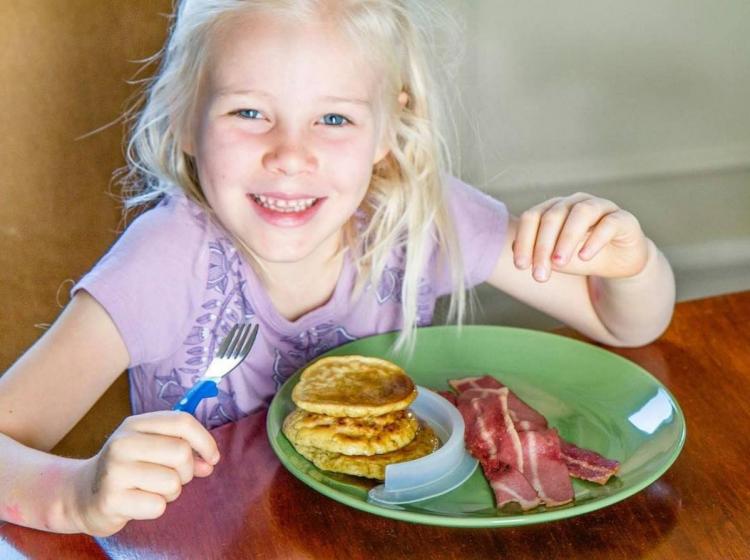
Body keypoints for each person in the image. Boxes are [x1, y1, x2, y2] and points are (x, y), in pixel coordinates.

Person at [0, 0, 675, 537]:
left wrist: (631, 263)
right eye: (249, 112)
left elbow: (623, 323)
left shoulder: (416, 217)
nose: (291, 155)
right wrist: (77, 495)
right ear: (183, 117)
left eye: (333, 118)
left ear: (387, 129)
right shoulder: (164, 263)